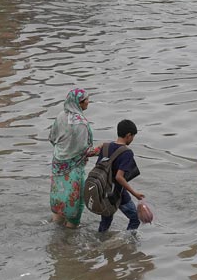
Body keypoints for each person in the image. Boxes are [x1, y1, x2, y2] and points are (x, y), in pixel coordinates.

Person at [49, 88, 99, 228]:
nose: (88, 102)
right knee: (75, 201)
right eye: (86, 99)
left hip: (58, 164)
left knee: (59, 196)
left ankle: (56, 226)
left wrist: (64, 150)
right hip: (74, 168)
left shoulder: (60, 116)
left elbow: (52, 138)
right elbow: (85, 151)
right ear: (79, 103)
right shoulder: (81, 123)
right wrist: (101, 150)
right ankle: (70, 234)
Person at [97, 119, 144, 232]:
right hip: (118, 193)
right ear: (128, 135)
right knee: (135, 218)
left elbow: (99, 167)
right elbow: (119, 177)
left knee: (106, 221)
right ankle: (127, 240)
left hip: (103, 190)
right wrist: (135, 194)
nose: (132, 139)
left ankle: (100, 240)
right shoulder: (127, 152)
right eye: (133, 136)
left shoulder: (106, 146)